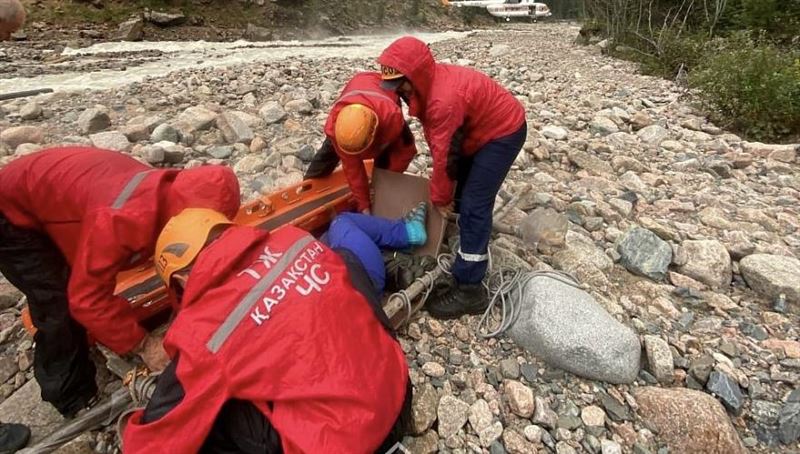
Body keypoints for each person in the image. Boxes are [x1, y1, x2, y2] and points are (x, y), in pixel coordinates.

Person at [123, 204, 429, 453]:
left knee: (206, 413)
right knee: (343, 267)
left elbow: (155, 438)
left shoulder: (205, 331)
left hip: (351, 444)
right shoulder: (295, 241)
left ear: (180, 280)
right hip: (399, 396)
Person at [0, 146, 240, 418]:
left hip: (59, 192)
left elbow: (178, 262)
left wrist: (185, 315)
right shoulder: (119, 221)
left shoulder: (177, 190)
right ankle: (73, 397)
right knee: (58, 303)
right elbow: (86, 299)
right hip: (10, 212)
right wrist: (144, 344)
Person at [377, 36, 528, 320]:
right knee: (458, 188)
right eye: (393, 86)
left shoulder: (442, 101)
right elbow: (449, 154)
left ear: (416, 76)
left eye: (401, 85)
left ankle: (470, 288)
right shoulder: (424, 84)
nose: (398, 92)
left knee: (474, 204)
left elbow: (445, 156)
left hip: (502, 132)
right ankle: (459, 234)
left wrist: (439, 197)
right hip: (476, 128)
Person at [304, 72, 418, 214]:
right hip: (359, 89)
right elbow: (353, 168)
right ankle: (306, 190)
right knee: (328, 153)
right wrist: (363, 205)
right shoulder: (335, 127)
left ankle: (379, 183)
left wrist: (383, 180)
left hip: (381, 97)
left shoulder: (392, 118)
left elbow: (406, 151)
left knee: (385, 161)